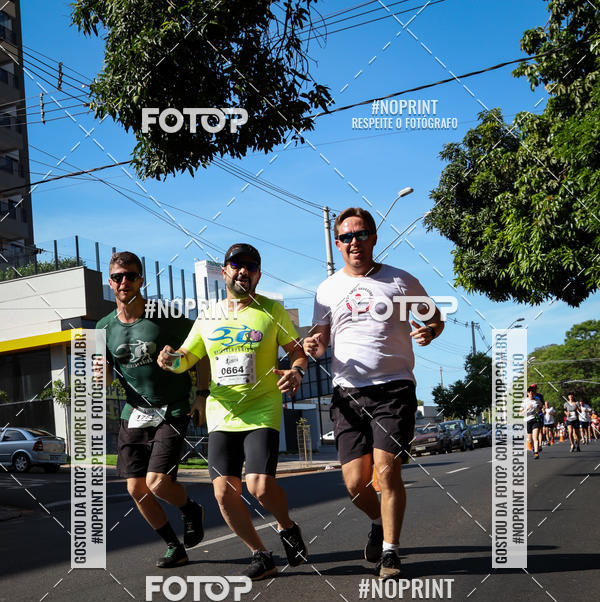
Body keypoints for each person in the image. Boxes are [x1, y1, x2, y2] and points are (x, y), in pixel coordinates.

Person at [304, 206, 443, 579]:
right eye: (347, 237)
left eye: (361, 234)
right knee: (354, 483)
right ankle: (378, 522)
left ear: (374, 238)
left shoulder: (401, 281)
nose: (354, 242)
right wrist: (313, 346)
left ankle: (391, 552)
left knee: (387, 471)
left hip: (394, 388)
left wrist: (430, 332)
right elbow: (320, 336)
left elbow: (434, 318)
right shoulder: (327, 289)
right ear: (337, 242)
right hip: (347, 393)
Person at [157, 243, 308, 581]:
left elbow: (297, 353)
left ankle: (287, 526)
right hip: (222, 414)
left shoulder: (271, 311)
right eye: (236, 265)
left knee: (259, 486)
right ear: (224, 271)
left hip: (262, 408)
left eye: (251, 266)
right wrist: (170, 359)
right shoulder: (208, 315)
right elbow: (187, 357)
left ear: (258, 274)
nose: (244, 271)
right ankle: (261, 554)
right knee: (224, 491)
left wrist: (296, 371)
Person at [96, 251, 206, 567]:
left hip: (172, 408)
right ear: (110, 281)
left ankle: (189, 509)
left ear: (141, 280)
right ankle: (174, 545)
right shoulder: (103, 327)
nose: (124, 282)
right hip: (134, 412)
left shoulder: (166, 316)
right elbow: (103, 377)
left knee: (157, 482)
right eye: (118, 277)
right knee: (136, 487)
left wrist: (201, 394)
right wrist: (98, 375)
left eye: (130, 275)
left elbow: (201, 352)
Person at [523, 387, 541, 458]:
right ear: (527, 393)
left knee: (535, 438)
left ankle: (536, 453)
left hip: (535, 420)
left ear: (534, 393)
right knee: (530, 440)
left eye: (532, 392)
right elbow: (520, 413)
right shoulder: (524, 402)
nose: (531, 393)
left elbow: (541, 406)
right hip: (527, 421)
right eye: (529, 392)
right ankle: (534, 448)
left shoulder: (537, 400)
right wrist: (527, 408)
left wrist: (539, 410)